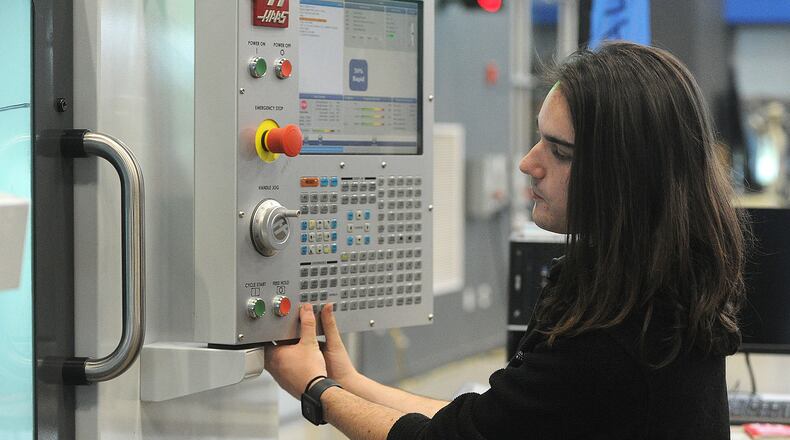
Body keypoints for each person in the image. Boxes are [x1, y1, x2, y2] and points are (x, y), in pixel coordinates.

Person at [264, 42, 748, 439]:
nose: (528, 163)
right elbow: (486, 423)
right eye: (540, 139)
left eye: (558, 151)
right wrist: (349, 383)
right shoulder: (653, 291)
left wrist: (315, 388)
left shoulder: (612, 341)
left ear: (623, 176)